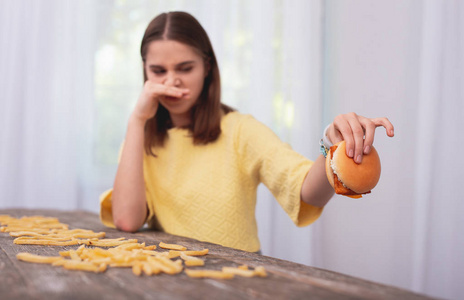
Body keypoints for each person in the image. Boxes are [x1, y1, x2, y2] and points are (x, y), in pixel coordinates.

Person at [99, 11, 394, 253]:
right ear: (144, 71)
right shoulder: (140, 138)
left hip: (237, 283)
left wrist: (332, 147)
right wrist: (137, 120)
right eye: (158, 71)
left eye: (185, 68)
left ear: (207, 67)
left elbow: (307, 192)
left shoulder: (240, 131)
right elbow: (126, 220)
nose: (172, 82)